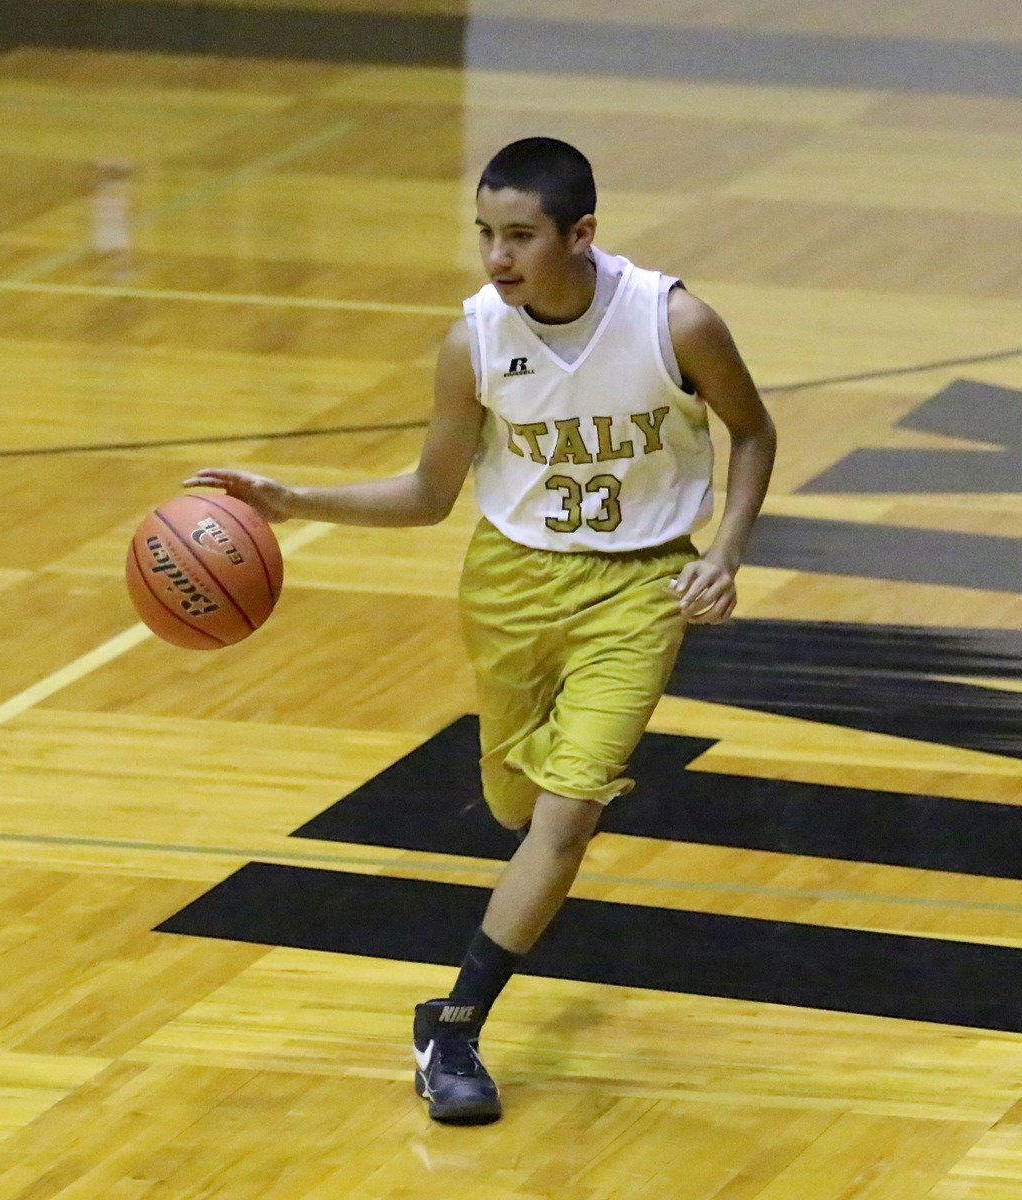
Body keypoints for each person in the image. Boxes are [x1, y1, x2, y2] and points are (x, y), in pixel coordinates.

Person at [184, 137, 776, 1125]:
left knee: (569, 808)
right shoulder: (471, 343)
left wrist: (726, 551)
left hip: (641, 586)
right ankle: (520, 872)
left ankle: (451, 1025)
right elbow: (427, 495)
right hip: (508, 581)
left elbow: (751, 430)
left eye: (518, 236)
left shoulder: (675, 322)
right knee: (517, 810)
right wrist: (294, 499)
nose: (495, 258)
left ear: (580, 235)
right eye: (484, 235)